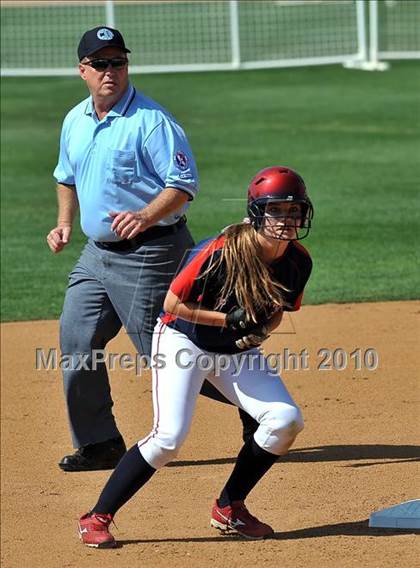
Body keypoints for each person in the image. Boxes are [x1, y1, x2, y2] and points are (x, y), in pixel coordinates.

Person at [47, 26, 256, 472]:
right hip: (95, 255)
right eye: (100, 64)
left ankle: (255, 403)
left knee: (163, 350)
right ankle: (99, 442)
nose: (111, 72)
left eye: (118, 62)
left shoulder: (152, 121)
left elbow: (182, 186)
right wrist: (64, 223)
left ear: (127, 66)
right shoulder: (75, 120)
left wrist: (144, 215)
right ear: (82, 70)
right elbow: (66, 175)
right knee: (76, 340)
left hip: (152, 251)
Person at [77, 165, 314, 546]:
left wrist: (259, 331)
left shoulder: (298, 260)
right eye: (277, 210)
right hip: (181, 342)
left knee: (285, 420)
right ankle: (96, 516)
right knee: (168, 439)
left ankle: (230, 506)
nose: (287, 219)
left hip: (236, 351)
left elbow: (278, 308)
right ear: (257, 212)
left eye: (294, 210)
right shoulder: (219, 251)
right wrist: (228, 320)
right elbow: (172, 303)